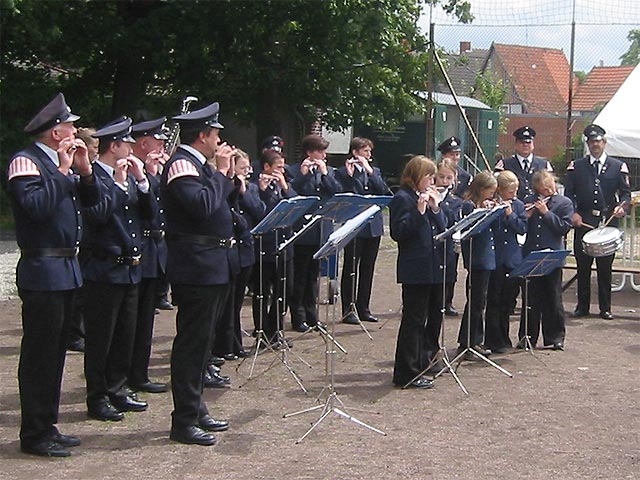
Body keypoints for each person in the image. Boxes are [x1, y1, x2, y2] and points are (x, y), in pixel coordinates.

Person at [6, 93, 100, 457]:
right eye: (71, 125)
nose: (75, 130)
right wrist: (62, 171)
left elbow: (90, 204)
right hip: (42, 267)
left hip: (66, 267)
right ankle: (34, 432)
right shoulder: (26, 163)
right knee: (39, 356)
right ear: (55, 132)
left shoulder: (62, 165)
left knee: (56, 355)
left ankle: (48, 424)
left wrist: (85, 170)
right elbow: (36, 209)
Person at [160, 101, 235, 446]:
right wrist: (221, 173)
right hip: (195, 264)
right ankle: (184, 419)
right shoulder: (180, 165)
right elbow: (202, 207)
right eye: (216, 134)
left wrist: (226, 176)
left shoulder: (199, 165)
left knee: (204, 345)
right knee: (191, 344)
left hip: (213, 262)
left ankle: (196, 407)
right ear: (203, 135)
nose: (220, 140)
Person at [81, 117, 156, 421]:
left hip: (130, 267)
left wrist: (142, 182)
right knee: (101, 338)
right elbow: (97, 216)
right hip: (103, 267)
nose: (131, 148)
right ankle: (97, 396)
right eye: (127, 144)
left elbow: (149, 216)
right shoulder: (93, 177)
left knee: (126, 334)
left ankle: (118, 387)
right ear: (115, 147)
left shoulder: (125, 176)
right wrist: (119, 184)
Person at [389, 156, 446, 389]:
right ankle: (406, 372)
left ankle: (421, 362)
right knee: (413, 322)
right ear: (416, 176)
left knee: (426, 318)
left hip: (431, 266)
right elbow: (398, 232)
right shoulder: (402, 198)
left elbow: (443, 227)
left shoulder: (424, 196)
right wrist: (419, 211)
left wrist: (435, 207)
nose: (432, 181)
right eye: (429, 176)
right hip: (415, 268)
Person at [564, 124, 631, 320]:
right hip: (584, 222)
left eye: (599, 141)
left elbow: (626, 194)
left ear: (605, 142)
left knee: (605, 268)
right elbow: (569, 194)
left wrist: (622, 207)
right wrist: (573, 213)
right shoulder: (577, 166)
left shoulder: (618, 166)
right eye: (592, 142)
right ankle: (582, 306)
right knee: (583, 267)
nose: (595, 145)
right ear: (587, 144)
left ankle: (605, 308)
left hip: (607, 222)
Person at [128, 117, 170, 393]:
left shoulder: (150, 171)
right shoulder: (130, 169)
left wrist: (156, 174)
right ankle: (125, 376)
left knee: (144, 319)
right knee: (130, 321)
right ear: (144, 143)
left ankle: (139, 374)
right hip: (137, 248)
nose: (163, 145)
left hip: (154, 249)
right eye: (159, 141)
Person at [212, 149, 264, 359]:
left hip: (245, 249)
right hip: (230, 249)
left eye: (247, 168)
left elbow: (259, 211)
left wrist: (244, 191)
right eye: (242, 168)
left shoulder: (249, 188)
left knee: (237, 302)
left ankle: (235, 343)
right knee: (228, 303)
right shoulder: (225, 188)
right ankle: (226, 344)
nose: (246, 172)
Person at [335, 137, 391, 325]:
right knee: (351, 268)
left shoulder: (374, 172)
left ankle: (363, 307)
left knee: (368, 267)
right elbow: (344, 195)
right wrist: (350, 177)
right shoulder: (343, 172)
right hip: (354, 226)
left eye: (369, 151)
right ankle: (348, 308)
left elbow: (384, 191)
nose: (369, 155)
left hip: (372, 225)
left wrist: (369, 171)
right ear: (355, 152)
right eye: (365, 151)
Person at [289, 134, 342, 332]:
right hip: (303, 231)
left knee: (314, 276)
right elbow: (292, 193)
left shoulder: (328, 171)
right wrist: (303, 175)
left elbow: (335, 192)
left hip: (321, 229)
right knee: (300, 276)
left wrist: (325, 174)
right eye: (320, 151)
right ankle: (298, 316)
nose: (324, 155)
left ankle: (312, 316)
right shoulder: (293, 171)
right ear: (310, 152)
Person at [519, 170, 574, 350]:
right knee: (531, 298)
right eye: (545, 189)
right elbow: (521, 226)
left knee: (553, 298)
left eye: (551, 186)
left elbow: (564, 227)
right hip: (532, 254)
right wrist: (526, 215)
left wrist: (546, 213)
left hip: (552, 256)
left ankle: (555, 337)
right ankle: (527, 336)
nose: (550, 190)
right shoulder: (528, 200)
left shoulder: (564, 203)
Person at [251, 149, 296, 342]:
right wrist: (262, 190)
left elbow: (296, 203)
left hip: (284, 245)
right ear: (266, 167)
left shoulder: (284, 186)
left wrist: (285, 187)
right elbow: (258, 212)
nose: (281, 171)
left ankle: (275, 328)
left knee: (285, 289)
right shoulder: (255, 188)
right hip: (265, 247)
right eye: (278, 167)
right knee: (262, 292)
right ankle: (261, 330)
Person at [484, 171, 527, 353]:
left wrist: (510, 214)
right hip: (496, 257)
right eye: (510, 191)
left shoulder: (517, 205)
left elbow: (522, 228)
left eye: (516, 190)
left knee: (508, 301)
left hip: (512, 258)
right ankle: (493, 339)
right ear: (500, 189)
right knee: (494, 300)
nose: (514, 194)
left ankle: (504, 337)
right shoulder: (492, 203)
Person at [456, 171, 498, 358]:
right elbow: (469, 230)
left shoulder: (487, 203)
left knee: (481, 301)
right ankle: (468, 342)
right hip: (476, 257)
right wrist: (483, 213)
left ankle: (476, 340)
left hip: (488, 256)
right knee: (475, 301)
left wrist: (495, 212)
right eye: (490, 191)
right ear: (481, 190)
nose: (492, 195)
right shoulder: (468, 205)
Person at [65, 127, 99, 353]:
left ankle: (79, 329)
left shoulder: (89, 170)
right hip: (83, 239)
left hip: (85, 238)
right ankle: (75, 332)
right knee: (79, 292)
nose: (97, 151)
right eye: (94, 147)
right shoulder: (71, 170)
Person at [494, 126, 553, 200]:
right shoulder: (504, 164)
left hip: (539, 206)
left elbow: (551, 188)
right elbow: (497, 188)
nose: (525, 145)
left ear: (533, 145)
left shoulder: (544, 165)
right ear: (515, 144)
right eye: (522, 142)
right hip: (513, 206)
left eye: (528, 142)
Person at [435, 158, 463, 317]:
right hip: (433, 242)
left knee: (450, 271)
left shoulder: (455, 201)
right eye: (441, 177)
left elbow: (454, 220)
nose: (444, 181)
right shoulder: (427, 194)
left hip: (449, 242)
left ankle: (448, 301)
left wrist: (440, 204)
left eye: (448, 178)